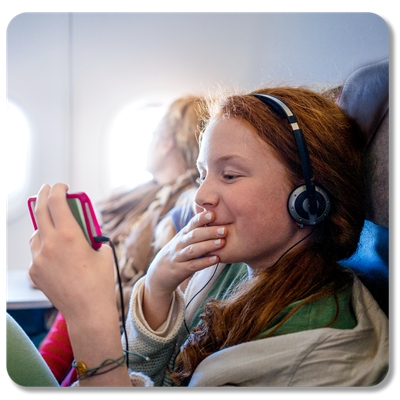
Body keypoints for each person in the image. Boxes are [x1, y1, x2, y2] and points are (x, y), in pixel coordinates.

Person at [29, 86, 388, 387]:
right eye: (203, 174)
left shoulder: (311, 356)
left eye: (229, 175)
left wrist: (88, 317)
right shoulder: (226, 267)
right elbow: (150, 376)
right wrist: (157, 287)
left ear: (309, 201)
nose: (201, 196)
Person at [37, 95, 203, 385]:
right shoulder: (147, 196)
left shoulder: (184, 205)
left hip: (122, 316)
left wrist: (88, 291)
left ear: (166, 143)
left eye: (153, 137)